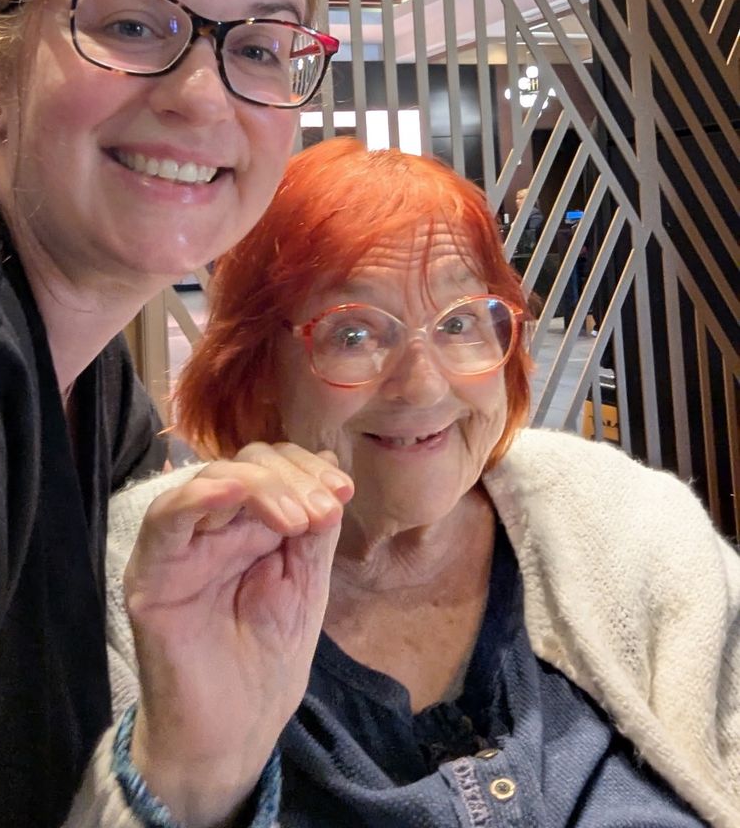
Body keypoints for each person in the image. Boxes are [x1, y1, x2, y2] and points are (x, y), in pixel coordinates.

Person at [106, 138, 739, 828]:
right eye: (353, 334)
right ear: (256, 370)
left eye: (459, 323)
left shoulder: (628, 524)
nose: (423, 386)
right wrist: (191, 766)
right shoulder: (152, 581)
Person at [0, 0, 341, 826]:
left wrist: (195, 764)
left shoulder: (95, 392)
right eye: (130, 25)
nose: (201, 99)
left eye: (259, 47)